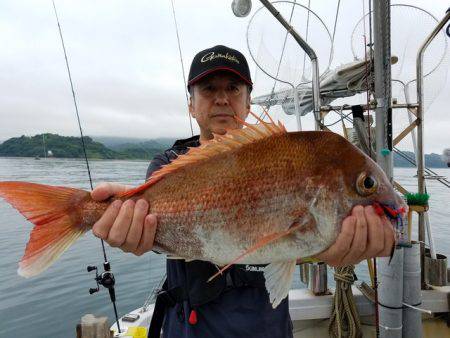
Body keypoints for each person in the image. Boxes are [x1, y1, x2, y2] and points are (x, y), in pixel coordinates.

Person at [91, 45, 395, 338]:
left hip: (266, 329)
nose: (222, 98)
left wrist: (334, 249)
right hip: (190, 330)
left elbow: (294, 245)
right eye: (209, 88)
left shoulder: (286, 155)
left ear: (249, 103)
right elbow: (156, 234)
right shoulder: (171, 164)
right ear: (191, 105)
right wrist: (128, 225)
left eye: (233, 88)